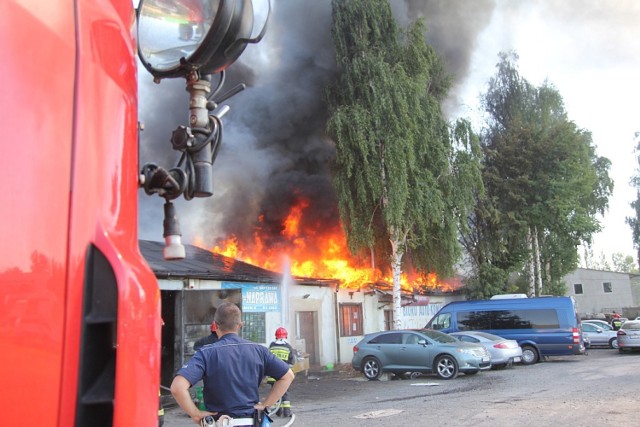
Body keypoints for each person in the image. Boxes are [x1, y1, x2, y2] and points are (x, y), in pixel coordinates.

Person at [171, 302, 295, 426]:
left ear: (216, 325)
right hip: (251, 422)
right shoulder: (259, 351)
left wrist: (195, 414)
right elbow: (288, 375)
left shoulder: (206, 353)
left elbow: (177, 387)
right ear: (240, 325)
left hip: (219, 422)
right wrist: (265, 405)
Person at [267, 327, 297, 417]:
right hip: (284, 376)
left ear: (276, 336)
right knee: (285, 392)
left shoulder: (272, 346)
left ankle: (278, 411)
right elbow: (292, 362)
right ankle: (287, 411)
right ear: (285, 336)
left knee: (275, 392)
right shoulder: (288, 347)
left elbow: (267, 359)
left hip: (272, 376)